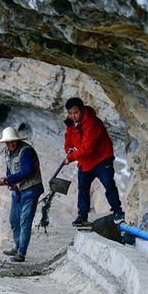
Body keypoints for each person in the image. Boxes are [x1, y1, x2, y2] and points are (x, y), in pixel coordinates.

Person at [63, 97, 125, 229]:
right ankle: (82, 216)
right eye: (70, 113)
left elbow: (87, 148)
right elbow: (69, 140)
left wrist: (71, 158)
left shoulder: (92, 123)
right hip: (86, 161)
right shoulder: (72, 124)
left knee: (108, 184)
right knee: (83, 188)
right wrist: (69, 150)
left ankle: (118, 212)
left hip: (101, 159)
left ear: (82, 110)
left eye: (75, 112)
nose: (73, 116)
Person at [0, 127, 44, 263]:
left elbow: (27, 171)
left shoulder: (27, 151)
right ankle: (16, 247)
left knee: (25, 221)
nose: (11, 144)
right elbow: (9, 169)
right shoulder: (7, 152)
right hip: (18, 190)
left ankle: (21, 253)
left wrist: (9, 179)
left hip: (31, 189)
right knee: (14, 219)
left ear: (17, 140)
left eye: (13, 141)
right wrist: (10, 183)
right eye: (8, 142)